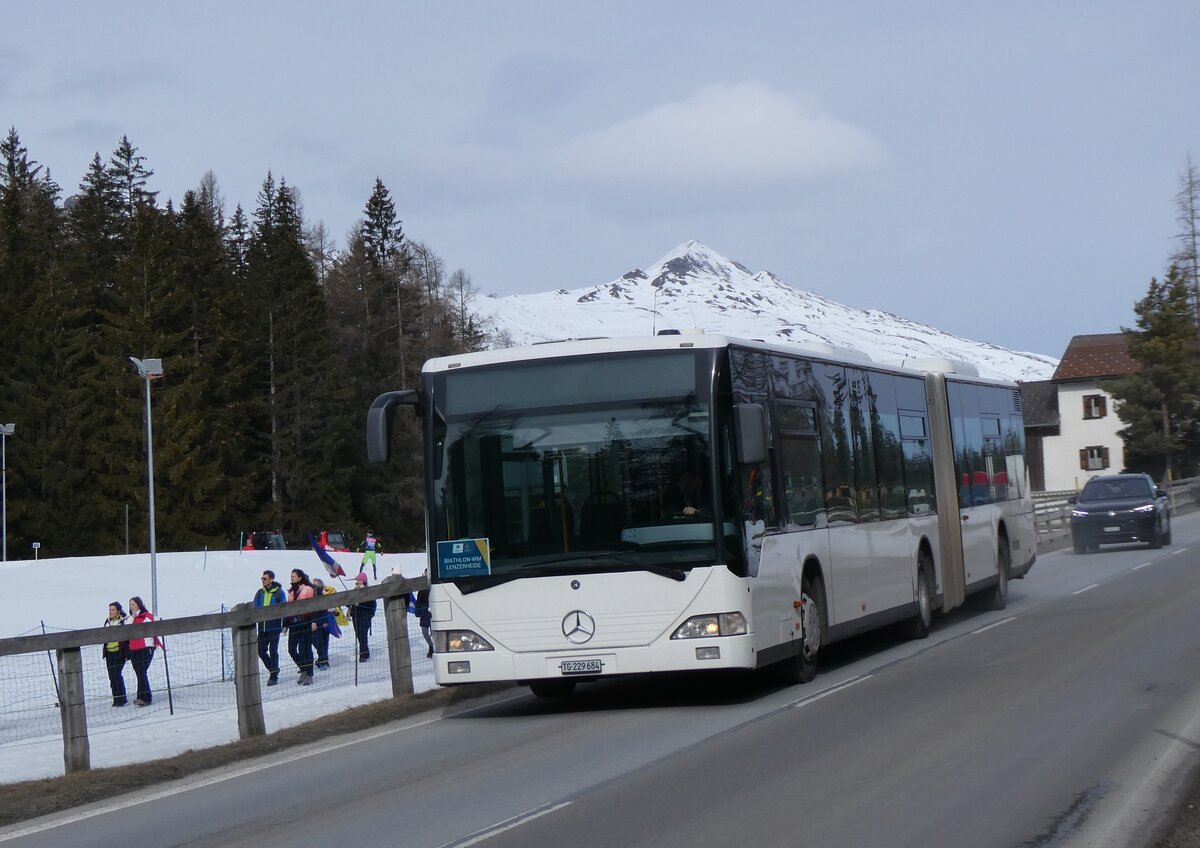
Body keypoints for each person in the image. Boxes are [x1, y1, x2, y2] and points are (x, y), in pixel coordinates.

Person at [126, 596, 163, 706]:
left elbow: (150, 629)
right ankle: (143, 697)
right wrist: (133, 616)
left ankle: (145, 697)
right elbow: (127, 628)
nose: (131, 607)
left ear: (138, 604)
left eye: (133, 604)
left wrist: (155, 644)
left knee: (141, 671)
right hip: (134, 648)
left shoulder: (146, 616)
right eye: (130, 605)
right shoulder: (131, 618)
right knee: (139, 673)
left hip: (146, 648)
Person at [253, 570, 287, 685]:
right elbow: (255, 607)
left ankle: (273, 676)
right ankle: (273, 669)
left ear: (271, 579)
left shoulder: (278, 593)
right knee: (261, 651)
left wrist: (283, 625)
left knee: (273, 651)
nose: (263, 581)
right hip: (262, 627)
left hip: (274, 627)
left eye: (265, 579)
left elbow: (284, 608)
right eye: (262, 579)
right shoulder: (259, 593)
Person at [286, 569, 316, 685]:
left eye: (293, 576)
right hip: (293, 624)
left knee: (305, 649)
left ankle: (309, 673)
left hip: (305, 623)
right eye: (291, 576)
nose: (291, 578)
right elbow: (288, 608)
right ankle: (303, 668)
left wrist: (314, 621)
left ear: (299, 577)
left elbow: (312, 606)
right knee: (291, 649)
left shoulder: (308, 589)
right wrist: (286, 624)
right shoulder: (291, 591)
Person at [310, 578, 343, 670]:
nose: (313, 586)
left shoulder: (327, 593)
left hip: (326, 620)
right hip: (318, 620)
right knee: (318, 641)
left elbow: (333, 606)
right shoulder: (312, 595)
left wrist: (328, 611)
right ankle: (323, 659)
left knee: (324, 641)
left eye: (315, 585)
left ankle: (323, 661)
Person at [101, 601, 128, 707]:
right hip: (109, 652)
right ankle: (116, 698)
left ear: (118, 611)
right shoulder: (107, 622)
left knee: (116, 674)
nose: (111, 612)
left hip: (119, 651)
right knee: (111, 676)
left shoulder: (123, 621)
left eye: (113, 610)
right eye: (110, 610)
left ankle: (121, 698)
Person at [348, 572, 377, 662]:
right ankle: (365, 653)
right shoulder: (354, 590)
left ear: (363, 581)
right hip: (356, 616)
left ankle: (363, 655)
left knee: (362, 635)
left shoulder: (368, 591)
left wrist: (370, 615)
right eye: (357, 580)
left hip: (365, 617)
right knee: (359, 635)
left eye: (359, 580)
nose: (357, 581)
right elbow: (348, 603)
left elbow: (373, 604)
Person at [414, 589, 434, 659]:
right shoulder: (421, 590)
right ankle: (431, 646)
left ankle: (436, 646)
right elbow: (419, 601)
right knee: (425, 631)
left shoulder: (434, 587)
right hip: (424, 613)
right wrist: (418, 610)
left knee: (434, 631)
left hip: (435, 611)